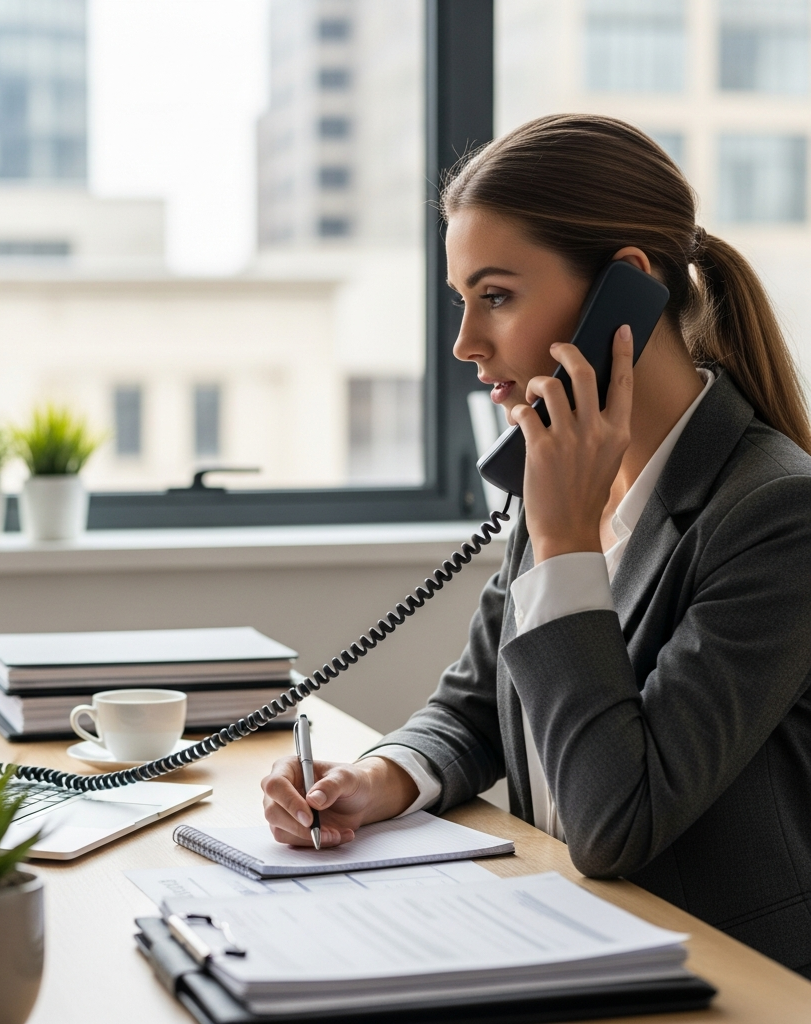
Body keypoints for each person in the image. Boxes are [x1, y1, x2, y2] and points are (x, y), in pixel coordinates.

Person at [260, 114, 811, 976]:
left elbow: (614, 823)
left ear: (623, 290)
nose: (465, 345)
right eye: (462, 300)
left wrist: (560, 540)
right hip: (577, 935)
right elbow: (477, 705)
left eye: (497, 296)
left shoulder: (776, 515)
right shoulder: (564, 469)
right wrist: (382, 779)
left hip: (727, 974)